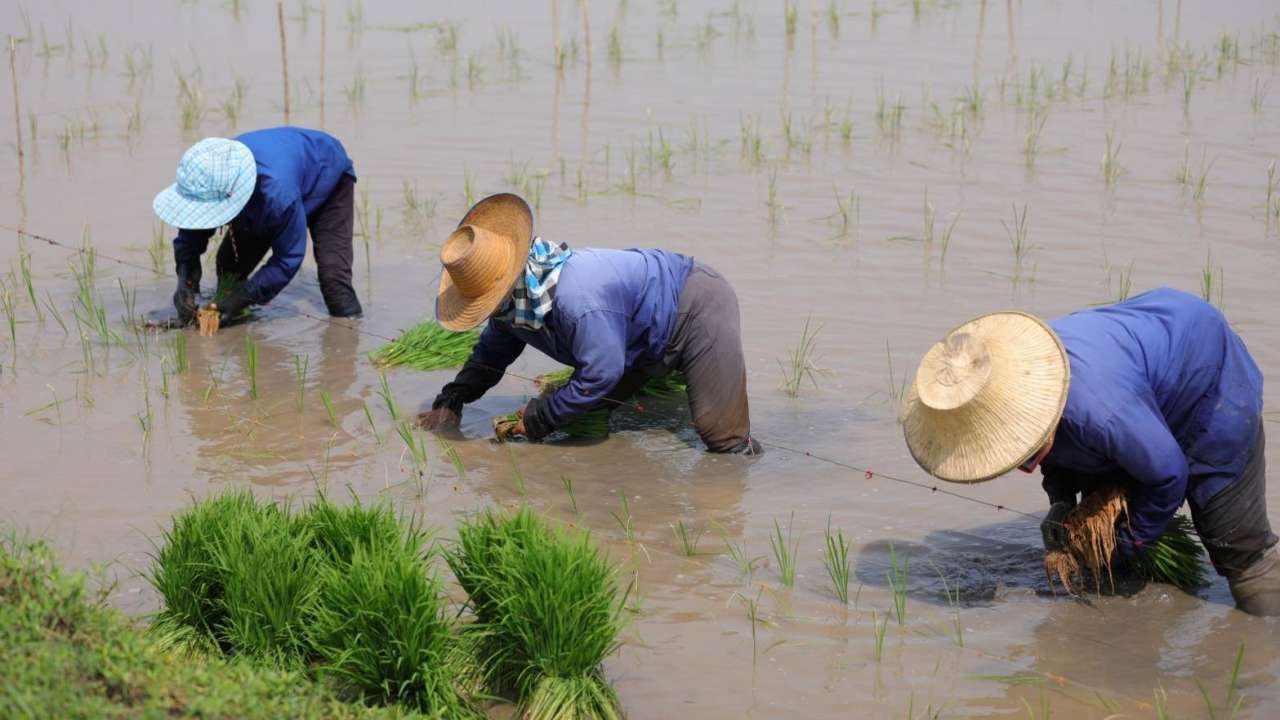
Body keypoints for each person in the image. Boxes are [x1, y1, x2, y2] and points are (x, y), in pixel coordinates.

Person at [901, 288, 1278, 616]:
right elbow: (1058, 450)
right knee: (1108, 502)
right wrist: (1062, 501)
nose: (1026, 466)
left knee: (1237, 548)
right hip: (1144, 367)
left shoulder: (1101, 414)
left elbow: (1169, 474)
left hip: (1208, 379)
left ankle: (1265, 633)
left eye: (1027, 456)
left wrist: (1126, 545)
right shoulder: (1016, 379)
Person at [416, 193, 760, 455]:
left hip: (696, 306)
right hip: (632, 338)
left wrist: (537, 419)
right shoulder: (517, 306)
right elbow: (489, 358)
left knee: (720, 437)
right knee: (584, 416)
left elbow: (602, 373)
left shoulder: (576, 301)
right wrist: (451, 402)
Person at [153, 127, 363, 327]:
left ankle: (348, 343)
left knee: (334, 281)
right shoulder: (209, 178)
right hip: (278, 179)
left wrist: (243, 298)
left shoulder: (276, 195)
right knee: (230, 266)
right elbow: (191, 236)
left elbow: (288, 259)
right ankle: (235, 324)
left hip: (327, 175)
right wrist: (185, 282)